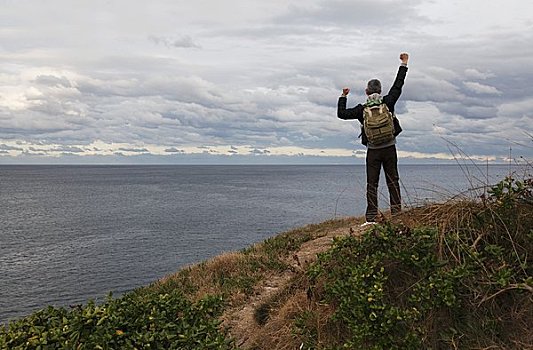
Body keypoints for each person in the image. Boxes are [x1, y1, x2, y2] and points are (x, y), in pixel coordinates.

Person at [337, 53, 409, 226]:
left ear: (366, 92)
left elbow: (342, 114)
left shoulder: (361, 109)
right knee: (393, 181)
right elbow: (398, 85)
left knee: (372, 184)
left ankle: (371, 218)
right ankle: (397, 214)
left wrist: (343, 96)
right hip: (390, 148)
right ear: (380, 91)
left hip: (373, 151)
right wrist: (404, 64)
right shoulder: (388, 102)